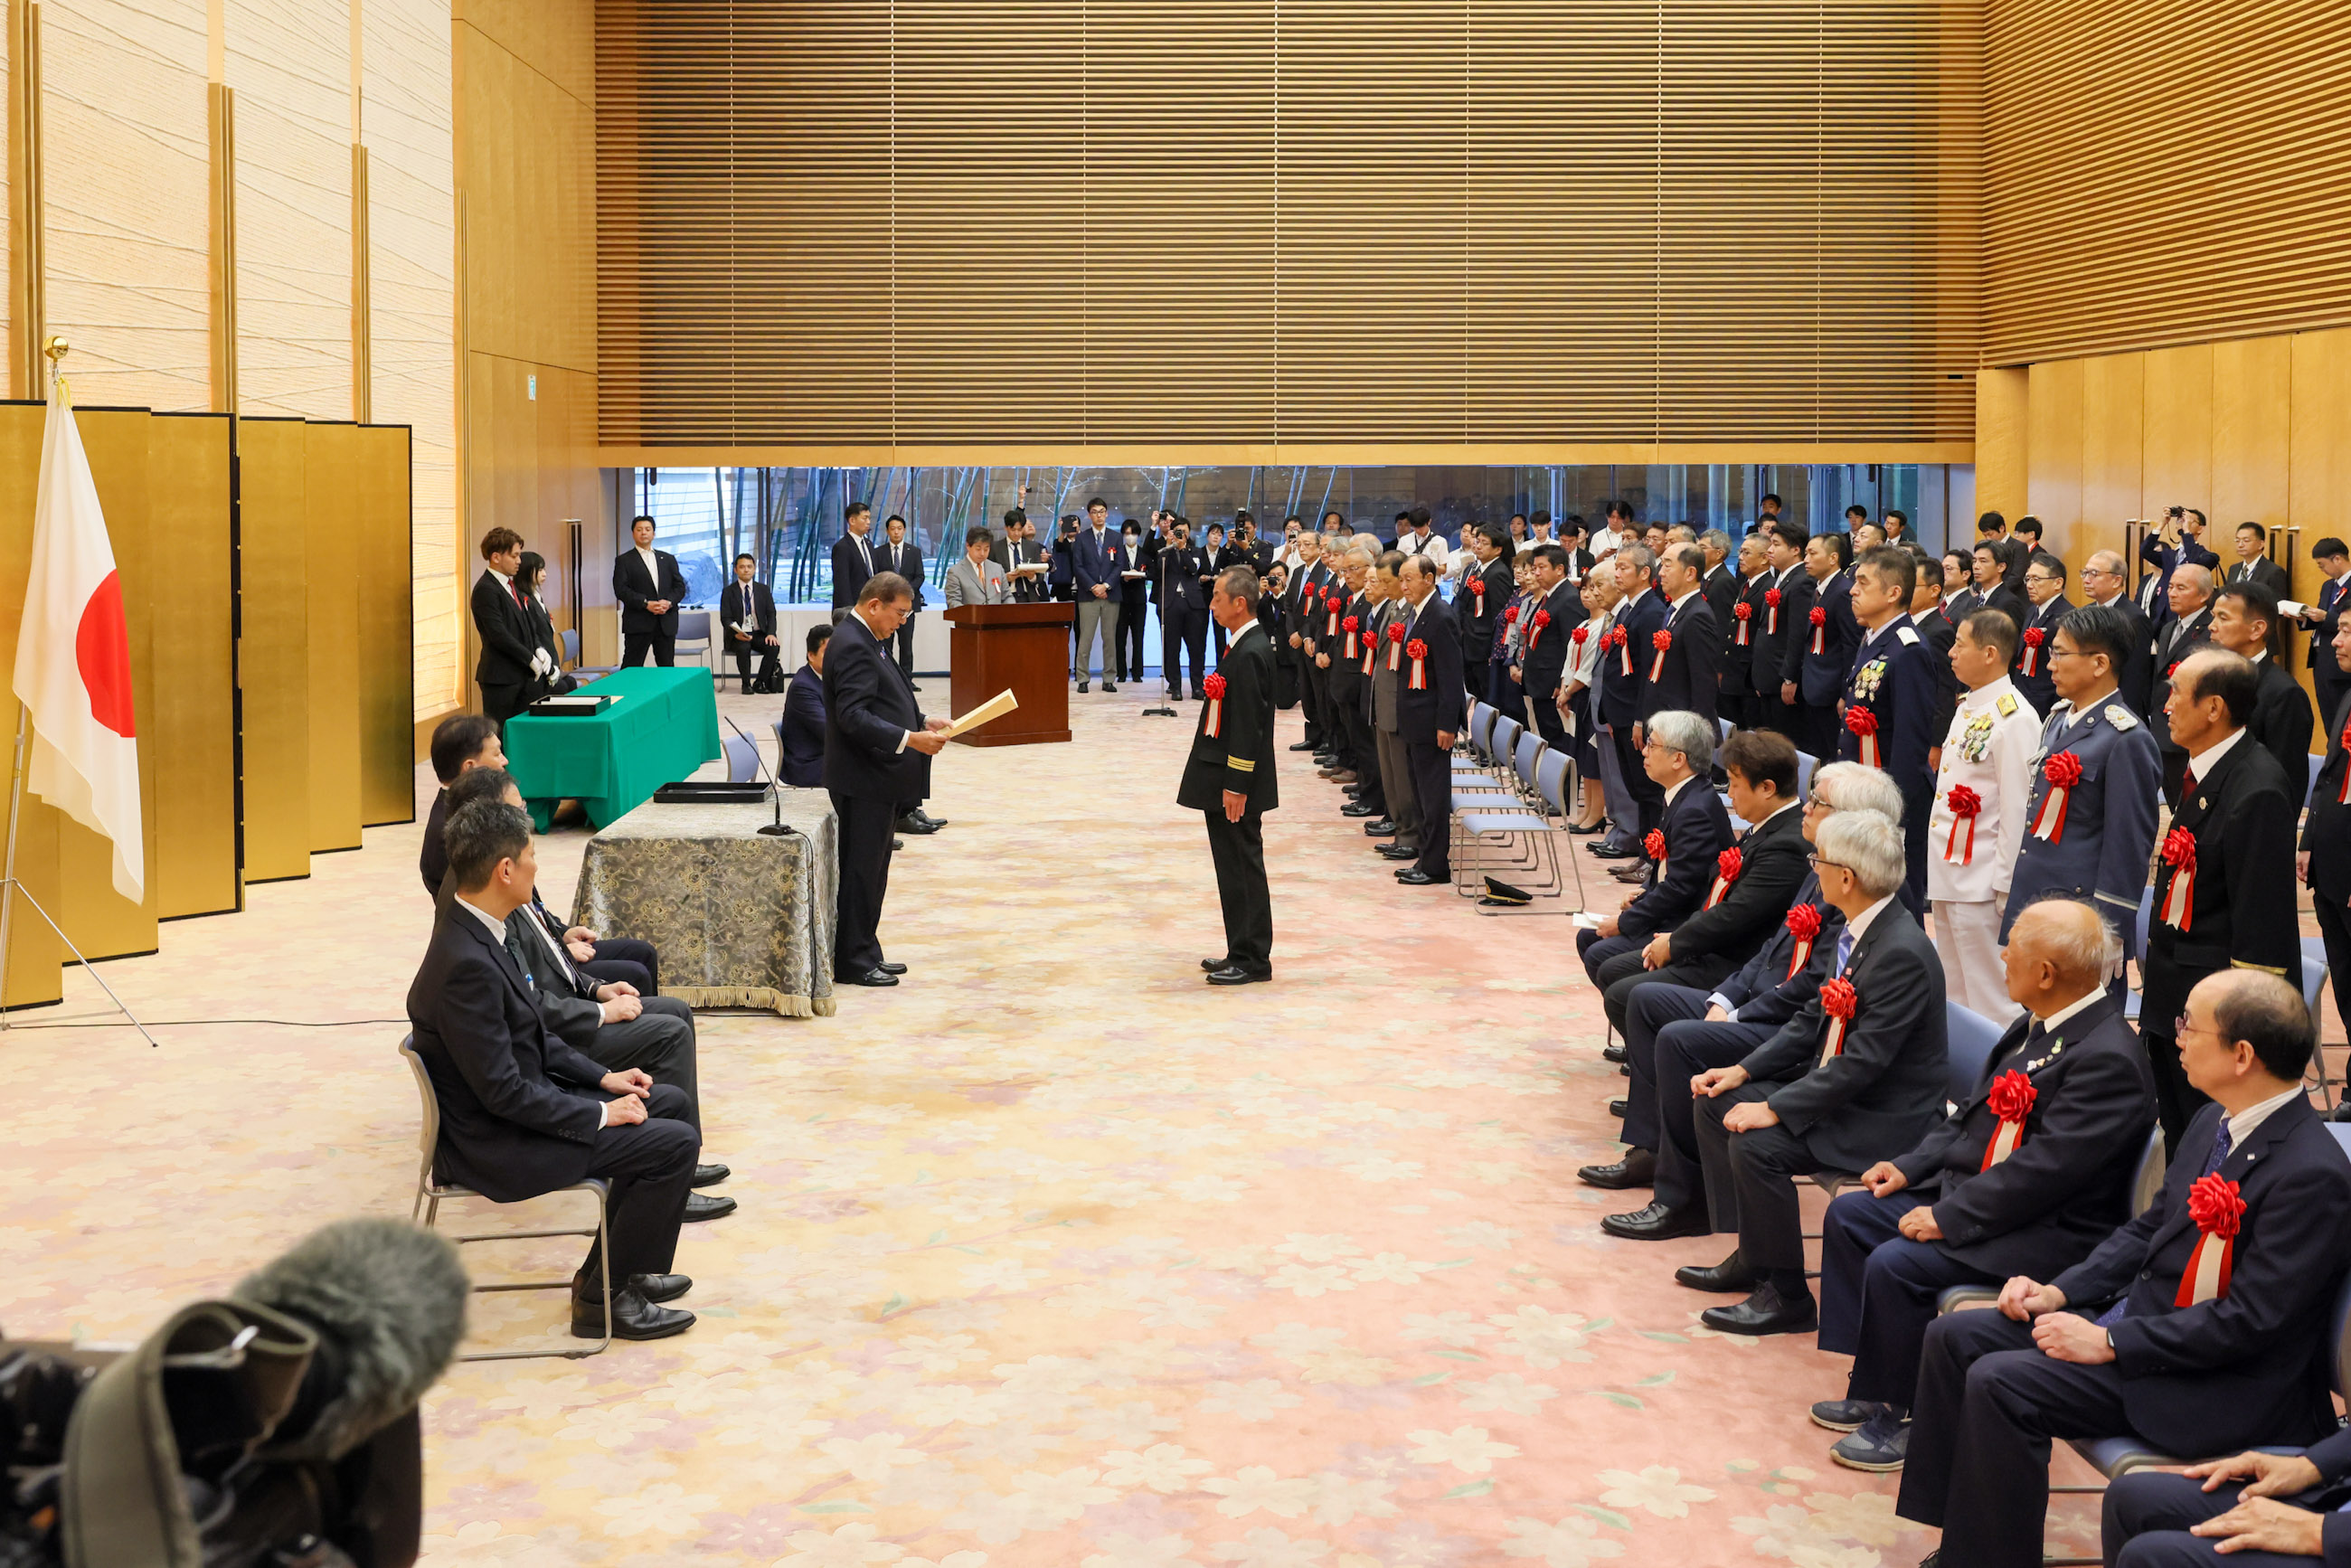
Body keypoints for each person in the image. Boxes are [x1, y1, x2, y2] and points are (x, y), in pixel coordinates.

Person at [1898, 971, 2351, 1568]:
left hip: (2219, 1381)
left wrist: (2110, 1340)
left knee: (2003, 1383)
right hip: (2152, 1326)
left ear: (2242, 1055)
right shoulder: (2215, 1119)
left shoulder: (2310, 1172)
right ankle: (1968, 1537)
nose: (2176, 1035)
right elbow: (2147, 1231)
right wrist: (2060, 1292)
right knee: (1957, 1336)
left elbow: (2249, 1322)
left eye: (2191, 1023)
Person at [1811, 898, 2156, 1473]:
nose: (2002, 956)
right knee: (1852, 1215)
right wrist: (1911, 1167)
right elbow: (1971, 1113)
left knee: (1899, 1263)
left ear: (2046, 972)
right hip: (1981, 1193)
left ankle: (1905, 1411)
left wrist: (1946, 1218)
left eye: (2013, 947)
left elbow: (2043, 1174)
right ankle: (1876, 1379)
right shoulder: (2040, 1020)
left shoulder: (2107, 1060)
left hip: (2048, 1230)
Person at [409, 799, 700, 1341]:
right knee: (673, 1145)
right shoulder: (465, 965)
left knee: (672, 1107)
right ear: (505, 870)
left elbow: (535, 1034)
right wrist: (599, 1114)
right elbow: (504, 1094)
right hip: (497, 1143)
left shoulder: (479, 930)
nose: (536, 867)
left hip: (517, 1110)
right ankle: (602, 1301)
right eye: (532, 856)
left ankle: (617, 1272)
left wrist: (602, 1078)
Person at [1680, 808, 1950, 1337]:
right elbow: (1813, 1022)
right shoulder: (1865, 928)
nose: (1814, 870)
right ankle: (1757, 1255)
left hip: (1885, 1118)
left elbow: (1863, 1065)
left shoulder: (1900, 952)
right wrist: (1741, 1070)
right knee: (1718, 1102)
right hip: (1848, 1093)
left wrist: (1775, 1106)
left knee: (1758, 1145)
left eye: (1819, 861)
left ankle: (1787, 1294)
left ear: (1846, 877)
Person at [1591, 762, 1899, 1205]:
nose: (1807, 808)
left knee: (1676, 1037)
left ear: (1853, 820)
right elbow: (1772, 950)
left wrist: (1739, 1012)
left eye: (1819, 803)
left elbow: (1815, 986)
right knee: (1644, 1000)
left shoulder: (1856, 888)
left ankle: (1682, 1195)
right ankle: (1649, 1141)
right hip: (1760, 999)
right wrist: (1727, 996)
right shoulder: (1823, 869)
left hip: (1787, 1024)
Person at [2141, 648, 2302, 1148]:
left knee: (2210, 1144)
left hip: (2216, 1020)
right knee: (2179, 1138)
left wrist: (2233, 1033)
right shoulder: (2205, 771)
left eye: (2177, 695)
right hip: (2173, 996)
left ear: (2214, 708)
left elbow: (2261, 933)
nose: (2165, 707)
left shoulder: (2256, 790)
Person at [1592, 725, 1808, 1036]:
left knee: (1625, 992)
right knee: (1613, 971)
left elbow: (1736, 914)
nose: (1729, 795)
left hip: (1735, 960)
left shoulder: (1786, 845)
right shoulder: (1764, 826)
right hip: (1713, 940)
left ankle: (1669, 1063)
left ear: (1767, 788)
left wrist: (1675, 942)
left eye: (1734, 785)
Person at [1999, 604, 2163, 970]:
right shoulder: (2058, 720)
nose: (2050, 664)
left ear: (2100, 664)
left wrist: (2111, 931)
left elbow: (2128, 842)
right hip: (2039, 900)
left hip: (2082, 918)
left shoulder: (2126, 738)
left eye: (2059, 653)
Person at [824, 573, 951, 988]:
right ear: (875, 604)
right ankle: (853, 961)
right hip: (864, 779)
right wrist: (911, 738)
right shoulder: (854, 644)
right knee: (861, 872)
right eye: (899, 613)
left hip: (878, 777)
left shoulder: (869, 639)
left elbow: (886, 699)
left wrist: (920, 720)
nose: (902, 622)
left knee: (873, 871)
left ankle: (865, 949)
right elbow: (853, 716)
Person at [1926, 609, 2040, 1021]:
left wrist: (2006, 887)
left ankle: (2005, 1083)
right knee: (1956, 996)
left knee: (1992, 999)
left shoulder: (2015, 717)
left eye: (1961, 645)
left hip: (1982, 884)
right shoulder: (1970, 705)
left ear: (1990, 653)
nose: (1952, 653)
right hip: (1950, 874)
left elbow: (2017, 808)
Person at [1574, 710, 1738, 989]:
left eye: (1652, 745)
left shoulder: (1694, 811)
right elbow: (1671, 875)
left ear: (1679, 759)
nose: (1644, 752)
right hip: (1675, 906)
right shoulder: (1682, 794)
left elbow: (1681, 888)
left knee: (1601, 954)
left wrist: (1626, 922)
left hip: (1686, 922)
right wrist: (1643, 894)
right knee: (1588, 938)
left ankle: (1638, 1017)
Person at [1185, 568, 1279, 985]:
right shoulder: (1241, 645)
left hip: (1237, 783)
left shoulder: (1251, 651)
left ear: (1240, 602)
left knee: (1243, 865)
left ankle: (1253, 958)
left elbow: (1248, 727)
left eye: (1218, 596)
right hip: (1226, 777)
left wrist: (1236, 784)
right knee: (1231, 865)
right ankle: (1238, 947)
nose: (1212, 603)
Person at [1836, 545, 1937, 912]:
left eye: (1863, 582)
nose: (1853, 590)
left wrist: (1893, 810)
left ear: (1894, 593)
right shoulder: (1873, 638)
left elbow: (1911, 742)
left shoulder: (1907, 649)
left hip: (1891, 799)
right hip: (1865, 791)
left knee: (1898, 900)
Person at [1392, 553, 1466, 886]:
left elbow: (1451, 678)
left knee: (1434, 796)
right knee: (1421, 793)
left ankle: (1435, 865)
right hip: (1414, 720)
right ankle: (1424, 856)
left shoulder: (1440, 616)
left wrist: (1447, 725)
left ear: (1430, 579)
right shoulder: (1416, 613)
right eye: (1401, 579)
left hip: (1432, 722)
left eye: (1410, 579)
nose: (1404, 585)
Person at [2209, 582, 2316, 786]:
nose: (2212, 626)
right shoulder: (2212, 678)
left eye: (2223, 618)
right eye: (2213, 616)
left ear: (2257, 629)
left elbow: (2285, 780)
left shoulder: (2284, 694)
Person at [2302, 614, 2351, 1053]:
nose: (2335, 641)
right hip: (2333, 868)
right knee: (2346, 982)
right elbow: (2328, 780)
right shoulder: (2347, 696)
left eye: (2348, 631)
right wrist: (2308, 841)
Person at [1605, 545, 1671, 837]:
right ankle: (1643, 852)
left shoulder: (1652, 611)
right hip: (1619, 711)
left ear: (1645, 573)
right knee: (1635, 786)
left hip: (1635, 714)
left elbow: (1650, 673)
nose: (1617, 574)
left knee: (1647, 790)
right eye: (1616, 567)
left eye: (1624, 568)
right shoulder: (1630, 607)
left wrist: (1640, 720)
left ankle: (1650, 854)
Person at [420, 713, 506, 896]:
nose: (505, 762)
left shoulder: (478, 810)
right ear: (470, 767)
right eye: (497, 754)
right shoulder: (452, 834)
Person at [1644, 543, 1722, 732]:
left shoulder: (1697, 616)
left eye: (1668, 565)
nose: (1661, 572)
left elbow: (1704, 683)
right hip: (1665, 718)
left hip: (1682, 727)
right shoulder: (1676, 610)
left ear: (1690, 573)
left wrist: (1691, 733)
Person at [1794, 532, 1859, 760]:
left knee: (1832, 751)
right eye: (1805, 553)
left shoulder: (1843, 591)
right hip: (1814, 684)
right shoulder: (1820, 588)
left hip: (1831, 689)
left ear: (1833, 558)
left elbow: (1851, 646)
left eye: (1812, 553)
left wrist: (1845, 693)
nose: (1806, 559)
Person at [470, 527, 543, 726]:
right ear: (496, 557)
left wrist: (538, 647)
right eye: (514, 556)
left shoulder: (512, 587)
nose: (519, 561)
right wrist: (529, 658)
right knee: (500, 735)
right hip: (501, 678)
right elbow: (498, 634)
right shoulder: (486, 589)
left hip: (522, 676)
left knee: (522, 734)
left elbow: (528, 624)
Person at [1515, 543, 1581, 756]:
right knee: (1546, 736)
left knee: (1557, 742)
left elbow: (1569, 646)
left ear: (1559, 569)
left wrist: (1560, 683)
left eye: (1541, 567)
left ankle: (1561, 788)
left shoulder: (1569, 598)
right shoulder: (1550, 596)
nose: (1536, 573)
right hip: (1539, 681)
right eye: (1534, 568)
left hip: (1551, 685)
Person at [2079, 548, 2157, 716]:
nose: (2086, 580)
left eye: (2094, 574)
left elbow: (2134, 676)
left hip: (2118, 710)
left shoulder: (2134, 618)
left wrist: (2121, 715)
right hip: (2088, 702)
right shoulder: (2085, 613)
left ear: (2116, 581)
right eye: (2084, 573)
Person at [1751, 521, 1808, 740]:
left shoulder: (1801, 581)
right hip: (1768, 675)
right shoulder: (1781, 578)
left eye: (1776, 544)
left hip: (1782, 677)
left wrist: (1789, 678)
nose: (1770, 550)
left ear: (1795, 550)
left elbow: (1796, 634)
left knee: (1785, 741)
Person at [615, 514, 688, 667]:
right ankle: (629, 692)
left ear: (653, 533)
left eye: (648, 529)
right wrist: (645, 603)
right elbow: (620, 589)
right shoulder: (624, 560)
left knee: (667, 667)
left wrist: (668, 602)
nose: (644, 533)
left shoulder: (668, 559)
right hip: (638, 622)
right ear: (633, 533)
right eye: (639, 529)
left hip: (665, 621)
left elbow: (680, 587)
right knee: (631, 667)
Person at [1072, 498, 1128, 692]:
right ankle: (1082, 679)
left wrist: (1106, 585)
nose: (1099, 515)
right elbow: (1077, 566)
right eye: (1094, 512)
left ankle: (1109, 678)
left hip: (1110, 595)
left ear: (1107, 514)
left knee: (1109, 638)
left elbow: (1120, 565)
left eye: (1102, 511)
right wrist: (1094, 586)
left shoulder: (1116, 537)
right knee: (1085, 638)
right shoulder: (1081, 538)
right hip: (1088, 595)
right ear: (1089, 515)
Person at [1720, 533, 1772, 732]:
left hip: (1748, 675)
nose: (1740, 557)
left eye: (1747, 552)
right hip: (1733, 670)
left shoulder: (1768, 587)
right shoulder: (1746, 584)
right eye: (1740, 551)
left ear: (1764, 557)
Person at [2010, 553, 2074, 716]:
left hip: (2046, 699)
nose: (2030, 585)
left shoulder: (2067, 615)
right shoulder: (2032, 610)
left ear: (2058, 583)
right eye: (2028, 579)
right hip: (2022, 693)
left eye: (2036, 579)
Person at [1459, 524, 1516, 701]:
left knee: (1487, 697)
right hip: (1468, 641)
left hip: (1483, 646)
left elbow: (1500, 615)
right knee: (1474, 693)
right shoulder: (1474, 568)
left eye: (1484, 543)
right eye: (1477, 541)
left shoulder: (1498, 573)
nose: (1477, 546)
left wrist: (1495, 649)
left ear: (1498, 549)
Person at [1156, 517, 1209, 700]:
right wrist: (1170, 546)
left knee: (1196, 647)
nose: (1181, 534)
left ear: (1189, 532)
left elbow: (1194, 569)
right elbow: (1158, 569)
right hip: (1171, 603)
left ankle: (1197, 687)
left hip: (1193, 604)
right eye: (1177, 531)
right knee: (1172, 648)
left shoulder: (1197, 551)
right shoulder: (1165, 551)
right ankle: (1175, 686)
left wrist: (1182, 548)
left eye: (1184, 531)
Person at [2300, 534, 2351, 727]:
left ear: (2337, 559)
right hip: (2321, 659)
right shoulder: (2328, 586)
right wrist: (2304, 617)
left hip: (2341, 660)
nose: (2322, 570)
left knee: (2344, 721)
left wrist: (2324, 617)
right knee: (2329, 719)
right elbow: (2321, 617)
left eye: (2322, 565)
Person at [719, 553, 780, 695]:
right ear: (735, 570)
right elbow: (725, 618)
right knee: (744, 647)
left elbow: (771, 614)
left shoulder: (763, 590)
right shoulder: (728, 592)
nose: (746, 570)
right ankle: (746, 684)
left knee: (773, 647)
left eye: (749, 567)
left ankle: (760, 682)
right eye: (742, 567)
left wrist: (771, 633)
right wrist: (737, 633)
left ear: (754, 569)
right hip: (737, 636)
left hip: (759, 633)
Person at [779, 624, 831, 789]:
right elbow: (828, 732)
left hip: (826, 755)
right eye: (827, 653)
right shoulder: (803, 687)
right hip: (808, 765)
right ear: (811, 655)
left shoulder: (831, 678)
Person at [880, 515, 925, 682]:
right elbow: (877, 577)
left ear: (904, 530)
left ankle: (907, 680)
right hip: (887, 606)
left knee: (906, 645)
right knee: (887, 644)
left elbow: (920, 576)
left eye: (899, 529)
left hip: (908, 606)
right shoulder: (878, 552)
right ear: (887, 531)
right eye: (893, 529)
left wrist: (904, 591)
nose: (896, 532)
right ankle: (888, 679)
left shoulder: (914, 552)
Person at [1116, 517, 1151, 685]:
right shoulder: (1117, 553)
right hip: (1121, 599)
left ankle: (1137, 672)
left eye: (1133, 533)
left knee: (1138, 637)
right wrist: (1125, 578)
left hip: (1139, 600)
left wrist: (1140, 575)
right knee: (1120, 637)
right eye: (1127, 534)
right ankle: (1121, 672)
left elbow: (1152, 573)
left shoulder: (1144, 553)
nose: (1130, 537)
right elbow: (1113, 573)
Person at [943, 524, 1008, 609]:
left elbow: (1007, 596)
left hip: (996, 619)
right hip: (969, 620)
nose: (982, 553)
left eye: (986, 549)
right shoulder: (955, 572)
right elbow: (953, 601)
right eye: (978, 549)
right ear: (968, 546)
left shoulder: (997, 569)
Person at [830, 501, 878, 611]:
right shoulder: (842, 547)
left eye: (869, 518)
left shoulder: (869, 544)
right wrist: (849, 611)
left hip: (871, 607)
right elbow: (842, 584)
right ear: (852, 520)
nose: (868, 522)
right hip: (853, 608)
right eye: (864, 518)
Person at [993, 508, 1047, 602]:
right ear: (1006, 527)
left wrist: (1032, 577)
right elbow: (990, 577)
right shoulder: (995, 548)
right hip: (1005, 597)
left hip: (1028, 597)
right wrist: (1005, 579)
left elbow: (1040, 577)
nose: (1016, 533)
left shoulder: (1032, 546)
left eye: (1020, 530)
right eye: (1013, 530)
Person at [2224, 521, 2290, 597]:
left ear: (2261, 544)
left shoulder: (2274, 572)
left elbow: (2278, 604)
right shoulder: (2234, 569)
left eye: (2246, 540)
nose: (2240, 545)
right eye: (2237, 540)